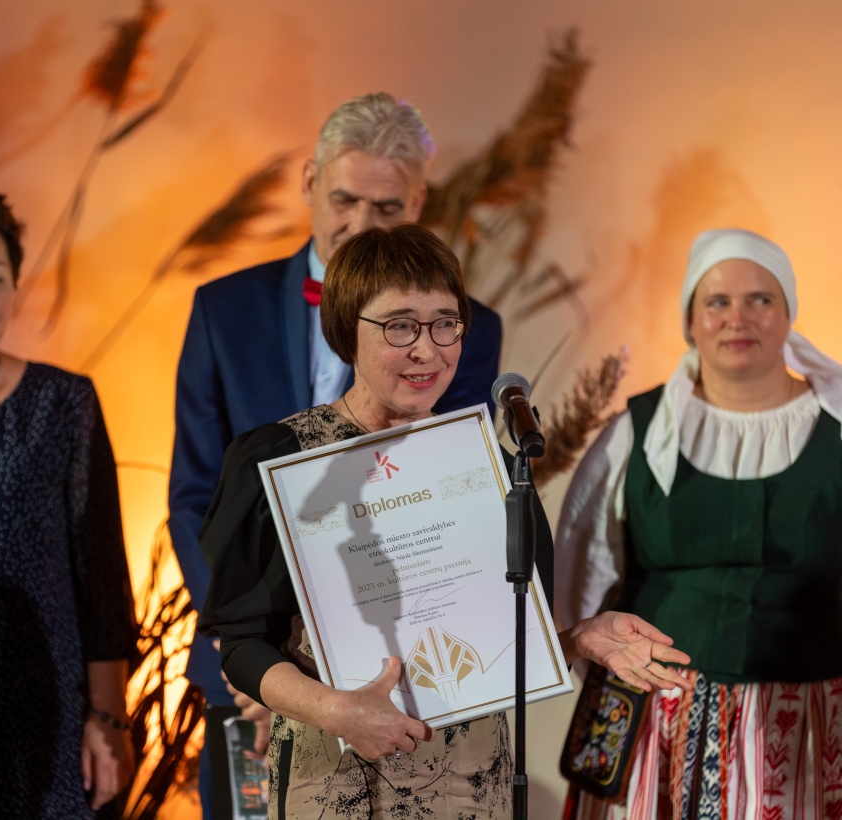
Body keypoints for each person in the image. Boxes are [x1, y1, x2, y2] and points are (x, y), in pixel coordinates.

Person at [197, 223, 691, 819]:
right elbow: (242, 644)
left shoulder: (490, 464)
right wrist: (338, 711)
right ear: (346, 331)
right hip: (333, 783)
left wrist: (577, 639)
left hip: (471, 783)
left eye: (445, 323)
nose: (427, 349)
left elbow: (500, 648)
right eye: (400, 325)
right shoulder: (284, 458)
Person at [168, 92, 502, 816]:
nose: (360, 224)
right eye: (345, 198)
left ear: (417, 200)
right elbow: (196, 498)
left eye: (386, 209)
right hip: (261, 673)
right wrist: (265, 671)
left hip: (422, 700)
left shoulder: (469, 338)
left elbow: (445, 508)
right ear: (311, 183)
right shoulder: (225, 309)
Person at [554, 227, 842, 819]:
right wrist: (574, 647)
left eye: (760, 299)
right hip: (655, 724)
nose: (738, 318)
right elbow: (581, 572)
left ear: (788, 313)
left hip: (808, 722)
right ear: (691, 320)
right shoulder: (636, 432)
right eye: (717, 301)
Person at [0, 194, 138, 817]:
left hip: (47, 708)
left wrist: (109, 720)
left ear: (15, 287)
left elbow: (100, 576)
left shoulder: (63, 404)